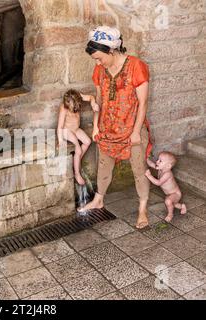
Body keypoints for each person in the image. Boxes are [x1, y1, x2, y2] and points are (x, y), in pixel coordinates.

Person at [80, 26, 153, 229]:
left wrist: (137, 131)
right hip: (108, 127)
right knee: (104, 165)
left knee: (139, 170)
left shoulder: (136, 66)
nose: (97, 62)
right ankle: (99, 199)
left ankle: (142, 209)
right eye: (94, 59)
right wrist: (96, 125)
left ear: (111, 51)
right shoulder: (99, 70)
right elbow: (100, 100)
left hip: (131, 128)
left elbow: (143, 103)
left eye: (99, 58)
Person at [57, 89, 100, 185]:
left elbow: (90, 97)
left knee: (87, 141)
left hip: (76, 129)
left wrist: (93, 103)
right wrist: (60, 141)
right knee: (78, 149)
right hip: (66, 131)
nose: (75, 110)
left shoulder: (78, 96)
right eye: (73, 108)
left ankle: (77, 160)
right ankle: (77, 173)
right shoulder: (63, 108)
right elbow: (60, 126)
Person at [145, 152, 187, 222]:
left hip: (175, 193)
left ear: (168, 166)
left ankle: (170, 214)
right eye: (158, 159)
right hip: (169, 193)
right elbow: (151, 164)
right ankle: (182, 206)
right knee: (174, 204)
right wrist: (146, 158)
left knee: (168, 201)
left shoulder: (167, 174)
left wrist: (149, 176)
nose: (157, 161)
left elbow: (158, 183)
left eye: (160, 161)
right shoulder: (161, 168)